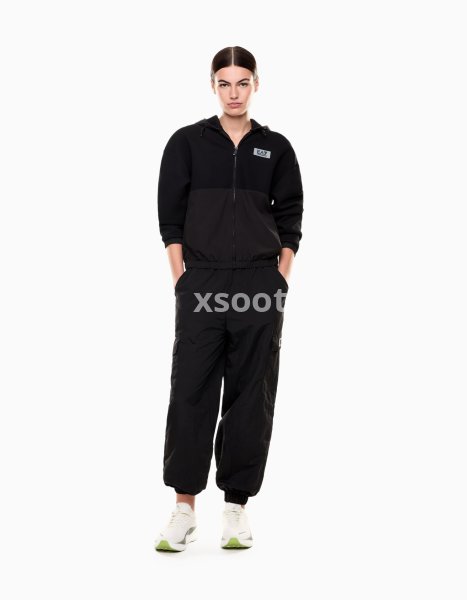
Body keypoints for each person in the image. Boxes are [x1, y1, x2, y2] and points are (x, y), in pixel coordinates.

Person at [154, 46, 304, 552]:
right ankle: (184, 509)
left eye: (243, 82)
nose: (234, 93)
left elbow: (291, 220)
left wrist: (279, 279)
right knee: (191, 391)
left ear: (256, 84)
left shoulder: (276, 148)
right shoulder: (187, 143)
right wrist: (182, 280)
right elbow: (170, 219)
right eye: (225, 83)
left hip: (260, 286)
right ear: (213, 86)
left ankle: (236, 509)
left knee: (250, 396)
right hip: (202, 283)